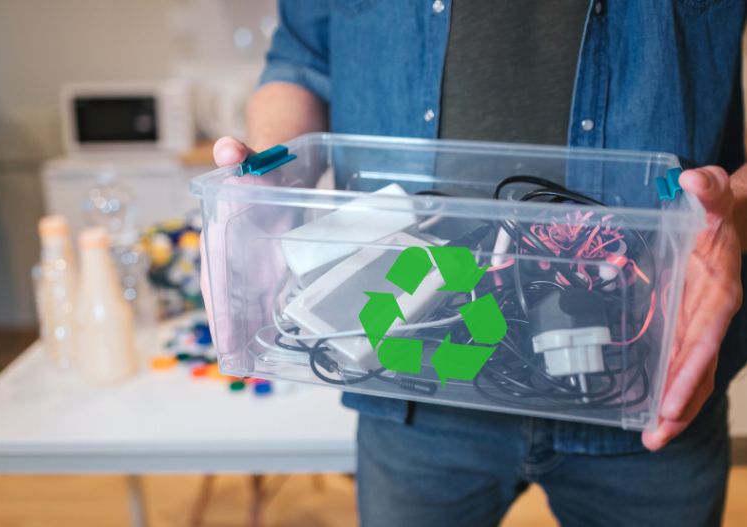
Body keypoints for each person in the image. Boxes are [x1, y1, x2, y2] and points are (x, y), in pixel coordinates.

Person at [206, 2, 747, 525]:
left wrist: (733, 208)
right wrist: (266, 180)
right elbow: (299, 61)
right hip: (408, 381)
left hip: (646, 370)